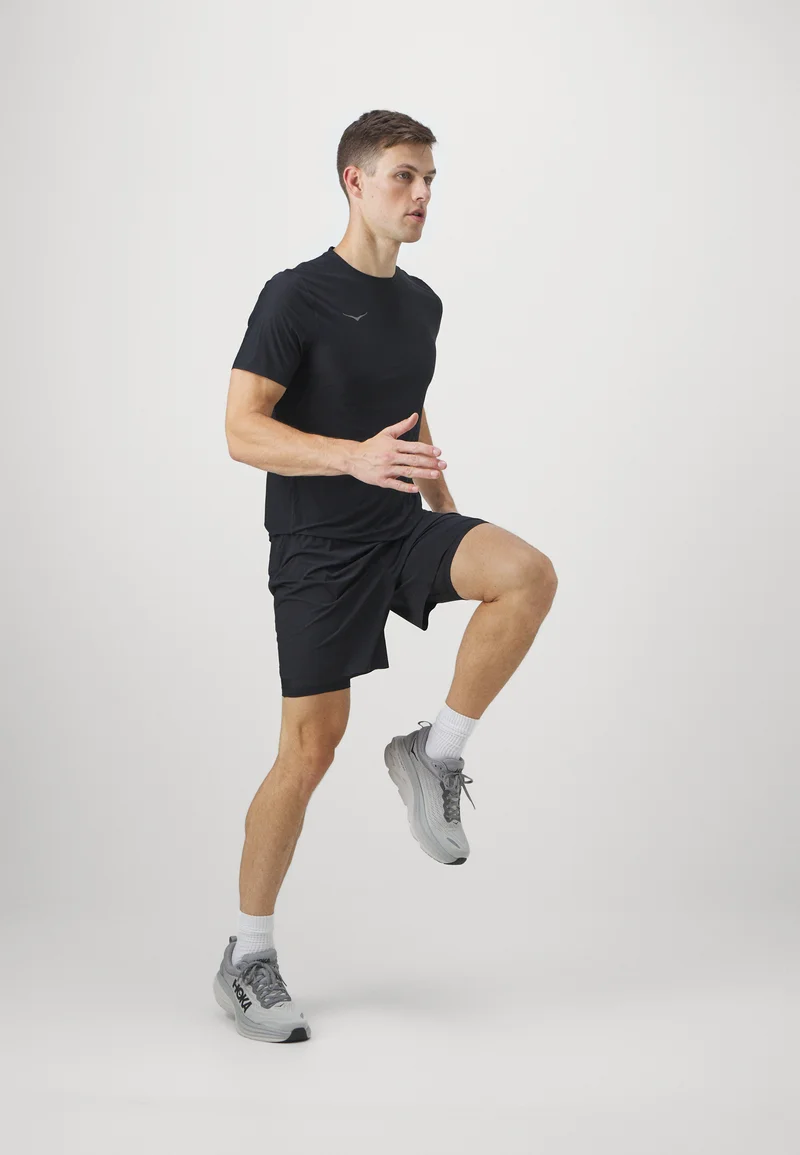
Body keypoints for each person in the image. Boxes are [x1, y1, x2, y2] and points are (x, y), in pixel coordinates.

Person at [213, 109, 558, 1043]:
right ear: (354, 181)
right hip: (317, 550)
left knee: (526, 574)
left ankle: (433, 752)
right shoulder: (294, 296)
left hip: (399, 528)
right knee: (308, 752)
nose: (422, 195)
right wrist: (348, 458)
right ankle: (247, 954)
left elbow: (409, 413)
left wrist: (446, 511)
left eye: (430, 179)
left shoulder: (422, 304)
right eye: (404, 176)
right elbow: (241, 429)